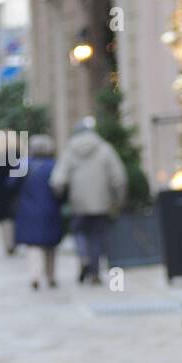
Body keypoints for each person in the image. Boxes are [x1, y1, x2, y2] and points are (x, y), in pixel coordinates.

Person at [50, 115, 127, 283]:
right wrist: (118, 200)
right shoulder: (105, 149)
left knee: (79, 233)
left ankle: (84, 257)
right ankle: (94, 271)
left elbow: (58, 179)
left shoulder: (69, 151)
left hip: (78, 203)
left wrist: (59, 196)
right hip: (101, 202)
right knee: (97, 237)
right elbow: (119, 178)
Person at [13, 132, 65, 289]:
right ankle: (51, 276)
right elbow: (62, 188)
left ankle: (34, 275)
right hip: (50, 209)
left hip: (28, 210)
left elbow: (11, 185)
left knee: (33, 245)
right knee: (50, 245)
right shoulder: (54, 165)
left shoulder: (23, 165)